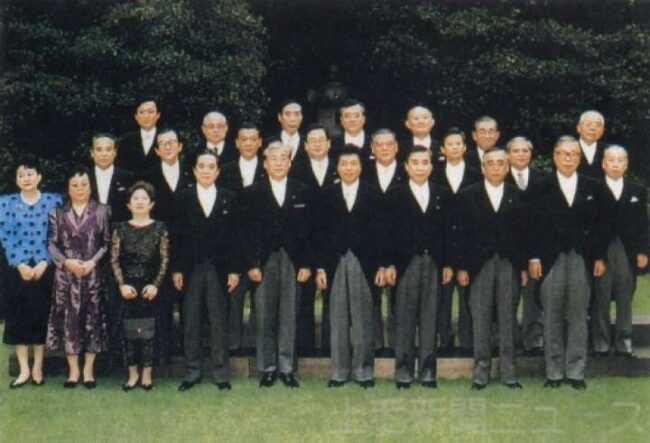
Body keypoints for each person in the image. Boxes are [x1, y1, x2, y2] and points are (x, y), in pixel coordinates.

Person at [528, 136, 606, 390]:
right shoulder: (540, 186)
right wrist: (534, 257)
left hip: (581, 258)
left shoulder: (593, 186)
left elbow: (600, 226)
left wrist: (599, 257)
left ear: (579, 158)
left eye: (573, 154)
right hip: (550, 259)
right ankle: (553, 373)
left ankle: (575, 372)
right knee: (551, 315)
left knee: (578, 315)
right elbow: (531, 225)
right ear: (555, 156)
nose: (568, 158)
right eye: (563, 153)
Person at [239, 141, 313, 388]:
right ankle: (268, 368)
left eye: (283, 158)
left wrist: (306, 264)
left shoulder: (303, 191)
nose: (279, 163)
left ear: (290, 163)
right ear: (265, 163)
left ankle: (287, 368)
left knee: (289, 314)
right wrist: (252, 264)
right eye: (274, 159)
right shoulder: (251, 193)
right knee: (264, 314)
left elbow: (310, 232)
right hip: (264, 261)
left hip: (293, 260)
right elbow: (246, 233)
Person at [455, 148, 526, 390]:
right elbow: (460, 235)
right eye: (491, 163)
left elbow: (524, 234)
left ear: (507, 167)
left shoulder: (517, 195)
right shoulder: (468, 195)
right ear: (483, 168)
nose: (496, 168)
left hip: (508, 264)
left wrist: (522, 267)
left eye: (500, 163)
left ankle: (509, 373)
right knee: (481, 318)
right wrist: (462, 267)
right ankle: (481, 374)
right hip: (478, 265)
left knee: (507, 319)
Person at [317, 146, 387, 389]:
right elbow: (318, 234)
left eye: (353, 164)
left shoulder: (373, 193)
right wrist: (320, 268)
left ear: (361, 167)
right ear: (337, 167)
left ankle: (364, 371)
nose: (349, 168)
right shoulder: (326, 194)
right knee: (337, 317)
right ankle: (339, 371)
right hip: (334, 261)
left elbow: (382, 233)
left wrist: (381, 265)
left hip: (364, 262)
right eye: (344, 164)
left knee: (363, 317)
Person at [384, 146, 452, 389]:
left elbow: (448, 233)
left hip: (433, 263)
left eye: (425, 162)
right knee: (404, 317)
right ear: (406, 166)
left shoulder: (442, 194)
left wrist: (447, 263)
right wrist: (389, 264)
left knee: (429, 317)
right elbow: (387, 233)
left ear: (431, 166)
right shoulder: (394, 195)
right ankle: (403, 372)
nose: (420, 167)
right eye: (415, 162)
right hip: (405, 264)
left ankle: (428, 372)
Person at [172, 151, 240, 392]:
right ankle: (192, 372)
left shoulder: (230, 198)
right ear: (194, 170)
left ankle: (221, 373)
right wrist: (176, 269)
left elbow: (236, 236)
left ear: (218, 171)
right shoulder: (182, 198)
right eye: (201, 166)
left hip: (219, 268)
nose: (206, 171)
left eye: (211, 167)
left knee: (219, 320)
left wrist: (234, 270)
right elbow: (176, 236)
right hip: (190, 268)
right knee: (191, 320)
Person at [46, 166, 111, 389]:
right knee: (69, 320)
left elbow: (107, 243)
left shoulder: (102, 211)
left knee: (93, 318)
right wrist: (67, 262)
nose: (80, 188)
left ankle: (88, 370)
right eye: (75, 185)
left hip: (93, 274)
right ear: (68, 188)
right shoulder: (57, 213)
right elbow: (51, 244)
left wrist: (93, 262)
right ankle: (73, 370)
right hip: (66, 275)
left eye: (84, 184)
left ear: (90, 187)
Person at [0, 160, 62, 388]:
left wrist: (45, 262)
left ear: (39, 177)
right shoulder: (6, 203)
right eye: (21, 175)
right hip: (17, 270)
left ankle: (38, 367)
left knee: (41, 316)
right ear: (16, 180)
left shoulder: (53, 201)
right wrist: (20, 264)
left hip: (44, 268)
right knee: (18, 318)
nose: (26, 178)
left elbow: (56, 235)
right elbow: (6, 236)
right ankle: (24, 369)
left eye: (30, 174)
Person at [110, 182, 169, 391]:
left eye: (144, 198)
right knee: (128, 333)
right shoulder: (119, 228)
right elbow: (114, 260)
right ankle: (132, 373)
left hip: (151, 288)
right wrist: (122, 285)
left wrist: (155, 285)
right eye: (135, 198)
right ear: (128, 204)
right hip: (127, 287)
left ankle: (147, 373)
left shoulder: (160, 228)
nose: (140, 202)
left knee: (150, 333)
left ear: (151, 204)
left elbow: (164, 260)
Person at [593, 145, 648, 358]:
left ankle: (624, 342)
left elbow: (643, 224)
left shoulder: (637, 190)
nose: (615, 164)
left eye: (620, 160)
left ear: (626, 164)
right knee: (601, 297)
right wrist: (596, 257)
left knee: (625, 296)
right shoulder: (594, 189)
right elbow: (590, 226)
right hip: (603, 250)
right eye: (611, 160)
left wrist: (643, 251)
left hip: (627, 251)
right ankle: (601, 343)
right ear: (603, 164)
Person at [144, 129, 194, 362]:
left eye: (172, 142)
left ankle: (188, 350)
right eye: (162, 143)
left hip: (188, 245)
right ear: (156, 150)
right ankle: (162, 352)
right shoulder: (148, 176)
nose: (167, 146)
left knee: (189, 299)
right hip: (158, 247)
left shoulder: (193, 172)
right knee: (161, 298)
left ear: (180, 146)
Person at [290, 123, 339, 355]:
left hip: (334, 242)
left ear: (329, 143)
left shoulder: (341, 167)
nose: (317, 144)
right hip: (304, 243)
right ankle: (305, 347)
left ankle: (331, 347)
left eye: (322, 140)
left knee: (334, 296)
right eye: (312, 141)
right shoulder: (295, 170)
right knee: (304, 298)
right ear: (305, 146)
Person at [217, 123, 266, 352]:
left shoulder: (269, 168)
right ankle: (233, 347)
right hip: (232, 244)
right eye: (243, 139)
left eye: (252, 139)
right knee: (233, 300)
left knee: (261, 302)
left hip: (261, 246)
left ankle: (257, 348)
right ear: (236, 143)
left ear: (260, 142)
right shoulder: (225, 171)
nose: (248, 143)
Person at [432, 128, 481, 355]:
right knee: (442, 297)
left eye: (458, 144)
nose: (454, 147)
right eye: (449, 144)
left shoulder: (476, 174)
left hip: (468, 244)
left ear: (464, 147)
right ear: (442, 149)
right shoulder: (433, 174)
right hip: (441, 243)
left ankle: (467, 341)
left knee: (467, 297)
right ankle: (444, 340)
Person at [361, 129, 406, 352]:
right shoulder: (363, 173)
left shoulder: (408, 171)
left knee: (400, 301)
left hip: (401, 248)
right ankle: (376, 347)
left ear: (396, 147)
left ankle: (399, 347)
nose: (385, 148)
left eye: (389, 144)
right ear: (372, 148)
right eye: (379, 144)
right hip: (370, 247)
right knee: (371, 301)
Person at [505, 136, 547, 355]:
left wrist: (535, 255)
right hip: (508, 250)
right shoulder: (498, 176)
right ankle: (507, 341)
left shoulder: (543, 179)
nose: (521, 155)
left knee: (533, 298)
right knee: (506, 298)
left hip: (534, 248)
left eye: (525, 151)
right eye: (516, 151)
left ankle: (534, 339)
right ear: (508, 154)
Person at [89, 133, 133, 223]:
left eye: (108, 149)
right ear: (92, 153)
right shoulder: (84, 178)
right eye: (99, 150)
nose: (104, 154)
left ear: (115, 153)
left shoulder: (127, 177)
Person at [117, 99, 161, 179]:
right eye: (141, 112)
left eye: (150, 112)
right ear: (136, 117)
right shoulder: (125, 141)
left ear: (158, 115)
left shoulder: (166, 139)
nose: (146, 116)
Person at [331, 99, 372, 163]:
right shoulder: (331, 144)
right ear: (341, 120)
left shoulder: (374, 142)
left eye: (356, 116)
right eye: (347, 116)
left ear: (364, 119)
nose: (352, 120)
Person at [576, 110, 608, 179]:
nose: (592, 128)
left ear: (602, 130)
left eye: (597, 125)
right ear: (578, 128)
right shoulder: (568, 149)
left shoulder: (609, 151)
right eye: (588, 124)